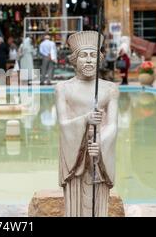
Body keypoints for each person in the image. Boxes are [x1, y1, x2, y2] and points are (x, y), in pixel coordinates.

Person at [55, 31, 119, 217]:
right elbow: (63, 123)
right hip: (75, 157)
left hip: (98, 157)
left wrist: (100, 142)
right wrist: (85, 120)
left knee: (97, 204)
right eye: (84, 55)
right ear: (74, 60)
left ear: (99, 60)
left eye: (93, 56)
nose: (89, 61)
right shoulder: (63, 89)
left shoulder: (110, 89)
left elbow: (113, 125)